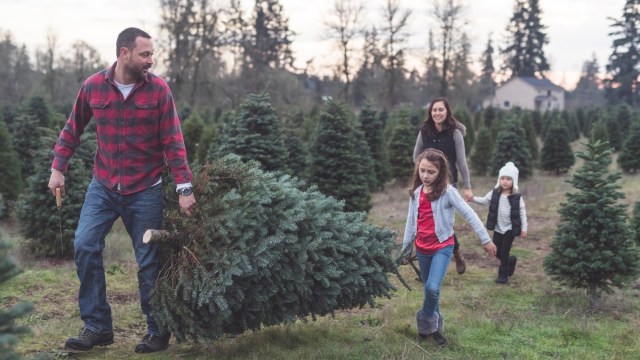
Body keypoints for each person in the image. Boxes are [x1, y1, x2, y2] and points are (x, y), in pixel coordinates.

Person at [47, 27, 196, 354]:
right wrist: (58, 168)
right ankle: (97, 327)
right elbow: (73, 128)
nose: (150, 60)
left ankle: (157, 330)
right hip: (103, 185)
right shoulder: (93, 86)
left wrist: (185, 187)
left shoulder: (158, 90)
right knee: (85, 244)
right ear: (124, 53)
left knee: (148, 261)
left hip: (145, 189)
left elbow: (173, 140)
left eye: (151, 54)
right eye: (145, 54)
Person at [401, 149, 496, 347]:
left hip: (442, 246)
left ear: (441, 172)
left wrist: (485, 239)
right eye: (422, 171)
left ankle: (424, 323)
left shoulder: (448, 192)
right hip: (422, 248)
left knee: (433, 287)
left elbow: (470, 214)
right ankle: (435, 330)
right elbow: (411, 223)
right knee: (430, 292)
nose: (425, 176)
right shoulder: (416, 193)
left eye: (431, 172)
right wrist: (405, 250)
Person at [413, 97, 472, 274]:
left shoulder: (455, 133)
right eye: (434, 110)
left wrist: (467, 186)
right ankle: (428, 263)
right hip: (427, 183)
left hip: (448, 183)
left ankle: (456, 252)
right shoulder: (424, 131)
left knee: (443, 222)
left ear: (447, 112)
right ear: (430, 113)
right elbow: (415, 156)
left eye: (441, 110)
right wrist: (424, 171)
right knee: (426, 220)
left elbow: (462, 161)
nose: (437, 113)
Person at [472, 162, 528, 284]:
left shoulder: (517, 197)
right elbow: (484, 200)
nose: (505, 181)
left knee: (504, 251)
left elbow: (522, 212)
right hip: (498, 228)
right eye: (502, 178)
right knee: (496, 251)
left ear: (514, 181)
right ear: (499, 179)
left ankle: (503, 276)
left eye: (508, 179)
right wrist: (472, 199)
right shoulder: (494, 193)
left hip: (510, 229)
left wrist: (524, 228)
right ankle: (511, 260)